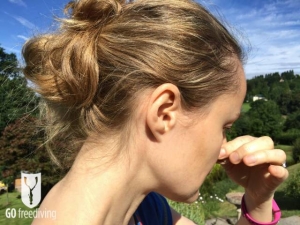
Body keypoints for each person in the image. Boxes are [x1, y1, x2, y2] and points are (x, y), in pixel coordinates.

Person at [22, 0, 288, 224]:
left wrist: (257, 202)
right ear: (164, 112)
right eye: (224, 128)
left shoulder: (144, 208)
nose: (223, 150)